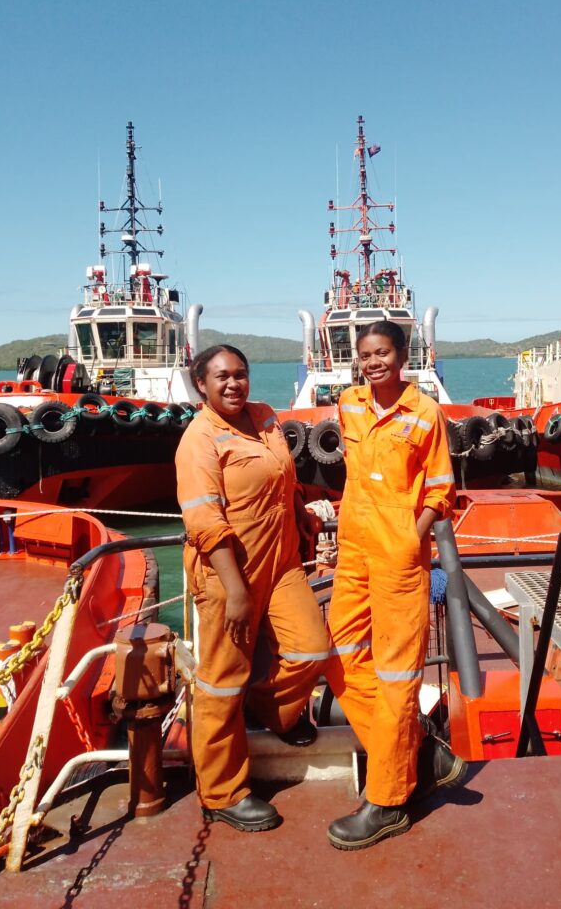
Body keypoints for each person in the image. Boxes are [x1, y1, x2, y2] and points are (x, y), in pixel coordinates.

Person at [323, 320, 467, 851]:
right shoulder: (350, 403)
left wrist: (414, 536)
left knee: (397, 674)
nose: (373, 361)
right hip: (355, 551)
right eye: (365, 354)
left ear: (403, 355)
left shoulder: (424, 413)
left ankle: (386, 802)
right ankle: (421, 750)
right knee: (337, 655)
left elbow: (439, 487)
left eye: (382, 352)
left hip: (400, 557)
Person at [176, 344, 329, 832]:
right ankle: (221, 792)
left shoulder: (264, 418)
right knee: (221, 681)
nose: (233, 384)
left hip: (282, 562)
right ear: (201, 383)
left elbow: (281, 478)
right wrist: (236, 591)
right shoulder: (199, 439)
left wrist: (300, 512)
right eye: (221, 377)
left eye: (240, 374)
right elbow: (203, 518)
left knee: (310, 649)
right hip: (228, 576)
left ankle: (272, 711)